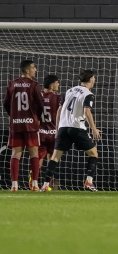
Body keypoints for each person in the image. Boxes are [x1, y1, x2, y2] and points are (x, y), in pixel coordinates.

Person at [41, 69, 101, 192]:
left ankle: (45, 184)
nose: (94, 80)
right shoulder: (88, 94)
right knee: (94, 153)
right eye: (94, 78)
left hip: (63, 127)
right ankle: (89, 182)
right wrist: (94, 129)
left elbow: (59, 111)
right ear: (90, 79)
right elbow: (87, 111)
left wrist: (57, 129)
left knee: (55, 157)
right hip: (77, 127)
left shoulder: (69, 90)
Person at [3, 60, 44, 191]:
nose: (35, 70)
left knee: (15, 154)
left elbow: (5, 104)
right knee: (34, 154)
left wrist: (13, 116)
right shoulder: (34, 85)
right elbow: (41, 105)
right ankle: (35, 184)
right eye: (33, 67)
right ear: (27, 70)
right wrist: (37, 118)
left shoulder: (12, 84)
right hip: (31, 125)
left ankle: (14, 185)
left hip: (16, 125)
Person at [29, 75, 60, 189]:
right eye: (57, 83)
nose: (58, 85)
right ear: (52, 85)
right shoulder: (57, 97)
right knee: (52, 158)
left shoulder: (38, 96)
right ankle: (49, 184)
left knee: (38, 158)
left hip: (40, 132)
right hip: (53, 133)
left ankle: (33, 181)